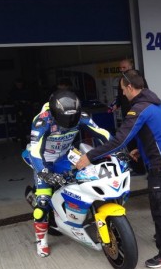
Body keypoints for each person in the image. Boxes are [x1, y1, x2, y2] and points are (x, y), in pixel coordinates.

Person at [76, 70, 161, 269]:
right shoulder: (155, 103)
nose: (123, 94)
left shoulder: (139, 109)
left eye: (123, 90)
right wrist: (140, 151)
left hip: (160, 164)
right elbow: (156, 133)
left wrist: (89, 156)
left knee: (160, 209)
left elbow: (119, 140)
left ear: (130, 87)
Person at [28, 90, 112, 257]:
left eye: (73, 117)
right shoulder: (41, 120)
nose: (69, 121)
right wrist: (45, 173)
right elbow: (35, 151)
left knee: (92, 178)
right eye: (65, 118)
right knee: (42, 203)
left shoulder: (82, 115)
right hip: (45, 160)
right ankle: (41, 241)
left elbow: (102, 133)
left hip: (67, 155)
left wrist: (118, 148)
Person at [110, 58, 148, 176]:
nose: (121, 70)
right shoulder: (121, 80)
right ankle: (137, 168)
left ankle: (142, 169)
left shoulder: (138, 80)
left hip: (137, 117)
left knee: (140, 143)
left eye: (124, 68)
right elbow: (120, 97)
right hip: (128, 116)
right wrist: (116, 104)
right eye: (120, 68)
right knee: (131, 143)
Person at [7, 78, 34, 148]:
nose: (19, 85)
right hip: (19, 112)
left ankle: (33, 142)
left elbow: (32, 99)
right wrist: (18, 102)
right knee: (21, 127)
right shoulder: (13, 91)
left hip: (28, 111)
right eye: (18, 84)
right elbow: (10, 100)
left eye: (20, 84)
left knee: (31, 126)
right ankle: (23, 144)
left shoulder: (27, 90)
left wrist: (27, 102)